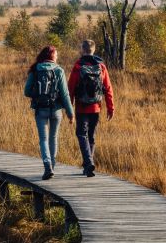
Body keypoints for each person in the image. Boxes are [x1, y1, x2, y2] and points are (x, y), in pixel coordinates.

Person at [24, 45, 74, 180]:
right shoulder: (59, 70)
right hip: (56, 110)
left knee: (43, 139)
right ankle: (52, 165)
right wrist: (70, 113)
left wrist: (38, 94)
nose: (57, 57)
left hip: (41, 110)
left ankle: (47, 166)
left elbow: (26, 91)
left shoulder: (35, 70)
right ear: (52, 56)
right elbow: (65, 94)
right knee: (53, 138)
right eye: (56, 55)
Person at [68, 39, 114, 177]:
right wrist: (111, 108)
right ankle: (89, 164)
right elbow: (108, 89)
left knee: (81, 134)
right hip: (96, 107)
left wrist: (69, 108)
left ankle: (88, 163)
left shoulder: (78, 66)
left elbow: (70, 89)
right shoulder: (101, 66)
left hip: (81, 107)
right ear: (94, 50)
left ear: (82, 50)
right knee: (91, 136)